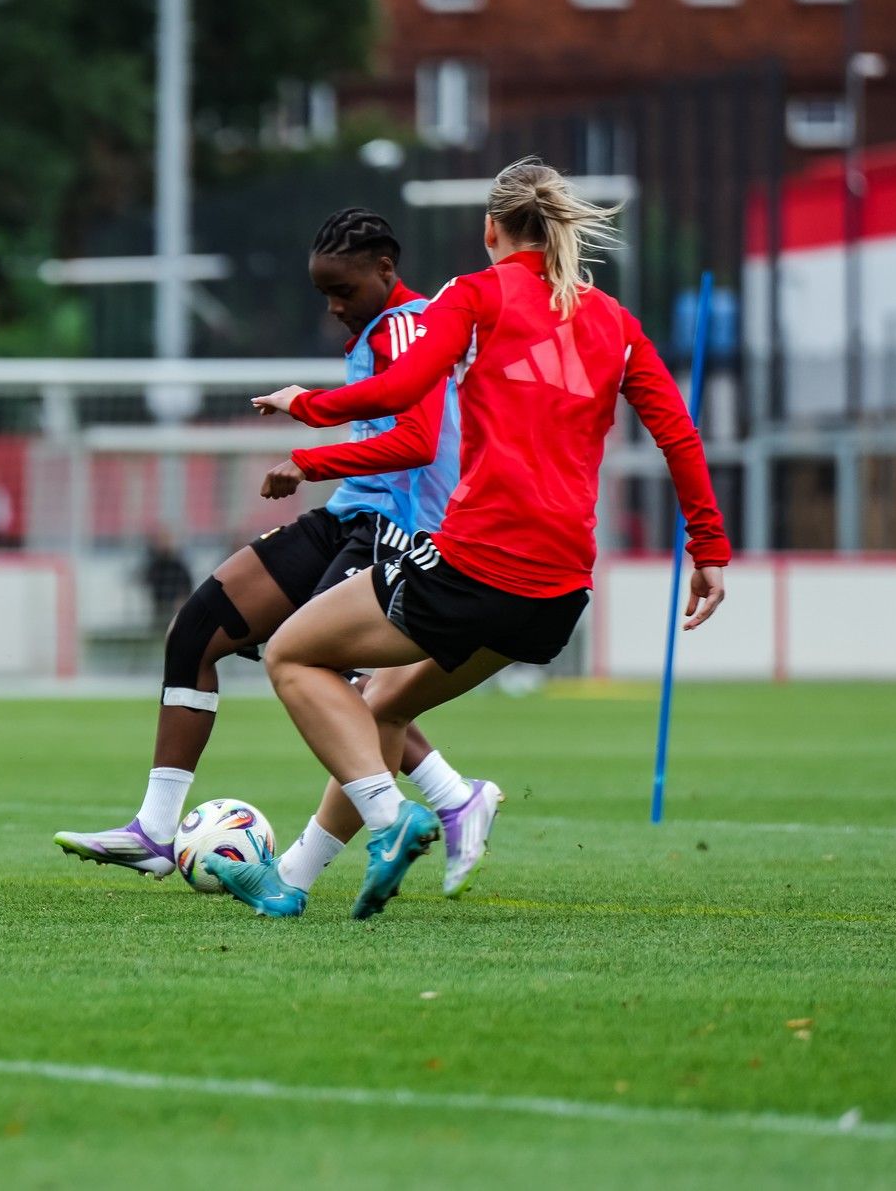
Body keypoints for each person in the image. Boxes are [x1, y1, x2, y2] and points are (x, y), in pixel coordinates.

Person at [209, 159, 730, 919]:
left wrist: (307, 405)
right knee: (381, 704)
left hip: (473, 565)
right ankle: (292, 879)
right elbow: (679, 434)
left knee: (292, 652)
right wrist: (709, 549)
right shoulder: (616, 323)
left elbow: (397, 391)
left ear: (489, 229)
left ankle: (393, 820)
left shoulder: (475, 296)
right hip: (556, 597)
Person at [55, 208, 501, 896]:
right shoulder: (378, 326)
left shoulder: (412, 326)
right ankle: (152, 830)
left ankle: (444, 796)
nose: (333, 306)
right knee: (198, 628)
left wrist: (310, 456)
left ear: (387, 270)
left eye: (344, 290)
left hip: (393, 529)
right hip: (347, 514)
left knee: (329, 672)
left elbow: (417, 441)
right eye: (324, 292)